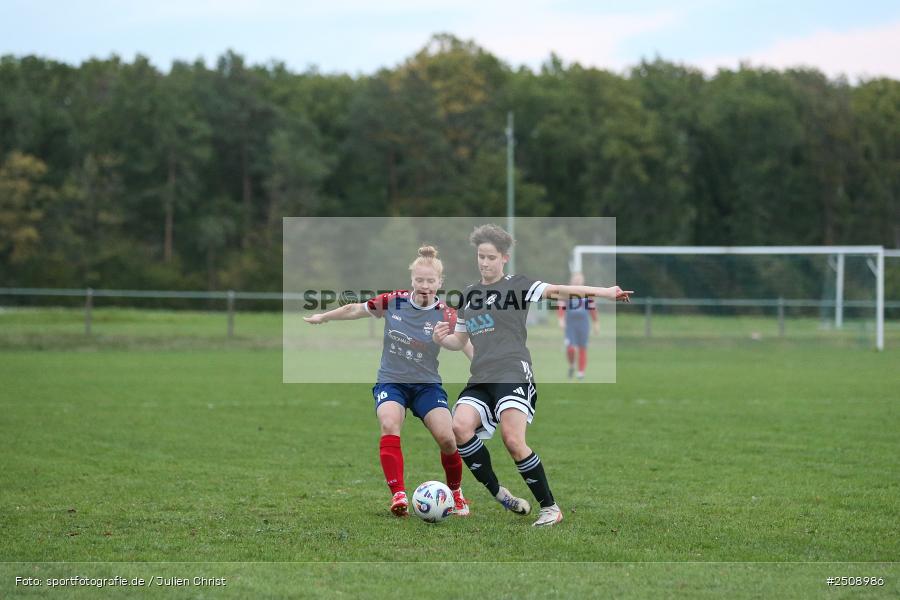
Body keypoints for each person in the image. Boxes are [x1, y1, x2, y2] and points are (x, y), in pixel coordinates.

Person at [433, 224, 632, 527]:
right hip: (481, 377)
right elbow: (459, 342)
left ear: (504, 258)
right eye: (480, 256)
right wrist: (440, 339)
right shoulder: (469, 295)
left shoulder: (518, 285)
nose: (484, 262)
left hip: (513, 370)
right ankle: (499, 493)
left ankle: (550, 508)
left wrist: (605, 292)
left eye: (490, 257)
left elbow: (557, 291)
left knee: (512, 440)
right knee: (459, 427)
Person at [304, 245, 474, 517]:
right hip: (391, 382)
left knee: (447, 439)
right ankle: (399, 495)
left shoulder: (447, 314)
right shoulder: (393, 301)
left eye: (430, 281)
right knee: (388, 423)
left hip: (426, 385)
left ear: (440, 283)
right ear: (412, 280)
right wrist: (323, 317)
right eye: (420, 280)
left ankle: (455, 492)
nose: (425, 285)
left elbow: (464, 342)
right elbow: (353, 310)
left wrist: (484, 368)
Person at [557, 272, 599, 380]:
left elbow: (593, 309)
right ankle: (571, 365)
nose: (577, 281)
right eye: (576, 279)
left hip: (584, 324)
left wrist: (596, 323)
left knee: (582, 348)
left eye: (579, 279)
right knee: (570, 348)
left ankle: (581, 373)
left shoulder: (588, 293)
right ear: (572, 280)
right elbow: (561, 306)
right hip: (570, 325)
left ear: (583, 280)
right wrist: (561, 319)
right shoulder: (566, 292)